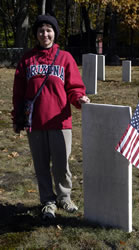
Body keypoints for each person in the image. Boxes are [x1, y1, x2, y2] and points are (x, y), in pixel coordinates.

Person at [12, 14, 90, 219]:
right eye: (40, 30)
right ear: (36, 34)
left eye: (48, 30)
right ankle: (47, 201)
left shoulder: (65, 58)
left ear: (54, 33)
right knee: (41, 165)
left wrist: (79, 99)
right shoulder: (27, 59)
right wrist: (18, 116)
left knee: (61, 164)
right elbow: (19, 92)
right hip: (35, 122)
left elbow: (73, 87)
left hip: (60, 121)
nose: (44, 34)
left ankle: (64, 198)